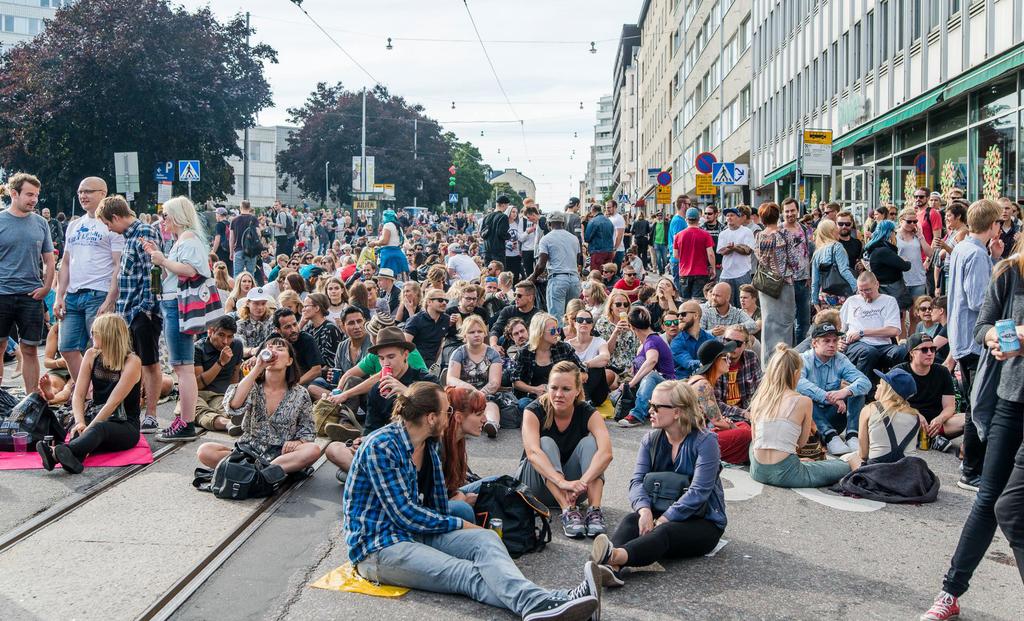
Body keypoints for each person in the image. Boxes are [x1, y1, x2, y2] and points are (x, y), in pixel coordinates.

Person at [343, 381, 602, 621]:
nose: (451, 414)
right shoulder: (382, 446)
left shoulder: (429, 444)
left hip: (415, 532)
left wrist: (467, 526)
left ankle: (556, 604)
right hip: (379, 547)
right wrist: (463, 524)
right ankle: (547, 603)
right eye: (447, 410)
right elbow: (406, 515)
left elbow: (437, 506)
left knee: (486, 539)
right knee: (465, 572)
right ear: (430, 417)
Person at [921, 247, 1024, 620]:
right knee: (990, 499)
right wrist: (994, 335)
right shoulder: (1009, 272)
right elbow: (980, 327)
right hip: (1010, 400)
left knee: (1010, 508)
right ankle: (950, 591)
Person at [590, 380, 727, 586]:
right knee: (631, 520)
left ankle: (614, 557)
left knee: (664, 531)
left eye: (656, 406)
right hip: (658, 511)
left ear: (677, 412)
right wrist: (645, 510)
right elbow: (636, 482)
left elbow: (699, 492)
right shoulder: (651, 439)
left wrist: (664, 518)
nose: (649, 410)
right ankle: (611, 569)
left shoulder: (706, 441)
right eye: (650, 404)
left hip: (703, 522)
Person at [197, 337, 319, 475]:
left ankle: (255, 472)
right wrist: (258, 367)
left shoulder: (300, 393)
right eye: (270, 348)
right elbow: (233, 405)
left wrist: (299, 442)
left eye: (279, 349)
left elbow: (308, 429)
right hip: (248, 451)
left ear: (289, 361)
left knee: (313, 450)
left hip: (282, 455)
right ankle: (265, 474)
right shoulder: (252, 385)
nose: (273, 352)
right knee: (205, 450)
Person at [947, 198, 1004, 491]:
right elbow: (979, 300)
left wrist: (994, 259)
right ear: (993, 225)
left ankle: (969, 464)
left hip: (961, 336)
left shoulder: (963, 248)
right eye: (999, 223)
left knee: (973, 403)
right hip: (974, 340)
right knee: (978, 406)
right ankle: (971, 470)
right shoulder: (977, 255)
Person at [518, 361, 613, 538]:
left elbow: (606, 453)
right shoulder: (533, 410)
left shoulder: (587, 412)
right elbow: (532, 453)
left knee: (591, 444)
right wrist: (562, 482)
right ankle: (568, 510)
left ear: (578, 390)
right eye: (554, 388)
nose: (559, 394)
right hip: (538, 486)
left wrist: (581, 483)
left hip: (576, 489)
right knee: (545, 442)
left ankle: (594, 510)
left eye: (566, 389)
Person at [36, 314, 141, 474]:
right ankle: (68, 458)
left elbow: (112, 403)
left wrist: (89, 428)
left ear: (107, 335)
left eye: (95, 333)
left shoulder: (132, 361)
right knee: (80, 431)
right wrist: (80, 423)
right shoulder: (92, 354)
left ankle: (56, 454)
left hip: (124, 423)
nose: (91, 336)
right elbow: (78, 394)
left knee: (98, 430)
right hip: (96, 415)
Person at [142, 196, 209, 442]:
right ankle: (185, 420)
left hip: (178, 305)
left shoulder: (188, 240)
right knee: (182, 367)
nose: (163, 221)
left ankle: (186, 422)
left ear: (178, 216)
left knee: (183, 368)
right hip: (174, 303)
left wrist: (162, 260)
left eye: (166, 216)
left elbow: (191, 270)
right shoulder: (184, 240)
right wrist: (160, 256)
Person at [748, 344, 860, 488]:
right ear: (796, 374)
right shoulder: (803, 401)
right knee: (851, 459)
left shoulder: (759, 399)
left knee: (757, 442)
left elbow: (755, 439)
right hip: (788, 475)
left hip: (758, 471)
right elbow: (800, 443)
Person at [96, 195, 163, 433]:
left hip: (142, 312)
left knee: (149, 362)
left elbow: (151, 274)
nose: (109, 229)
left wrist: (145, 310)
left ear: (115, 217)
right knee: (131, 364)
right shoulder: (130, 236)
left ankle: (152, 414)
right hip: (129, 311)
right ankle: (133, 410)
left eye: (107, 223)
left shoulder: (144, 232)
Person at [53, 176, 122, 384]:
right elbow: (65, 262)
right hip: (73, 295)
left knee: (101, 351)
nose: (83, 196)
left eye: (88, 191)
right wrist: (59, 295)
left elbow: (118, 265)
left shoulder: (111, 224)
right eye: (80, 192)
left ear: (103, 193)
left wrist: (110, 299)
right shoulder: (74, 225)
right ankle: (87, 392)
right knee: (67, 348)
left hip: (98, 294)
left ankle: (103, 397)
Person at [0, 173, 55, 395]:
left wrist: (47, 287)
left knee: (30, 348)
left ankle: (32, 400)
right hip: (2, 294)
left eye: (36, 195)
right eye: (29, 194)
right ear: (14, 194)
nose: (34, 200)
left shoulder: (41, 223)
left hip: (31, 296)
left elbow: (49, 260)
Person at [796, 323, 872, 456]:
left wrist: (844, 392)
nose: (832, 344)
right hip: (811, 422)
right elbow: (798, 383)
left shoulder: (840, 359)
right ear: (814, 343)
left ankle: (852, 435)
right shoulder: (803, 359)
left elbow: (865, 382)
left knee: (856, 391)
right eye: (826, 341)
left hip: (835, 415)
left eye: (835, 340)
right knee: (804, 397)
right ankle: (830, 436)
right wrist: (828, 397)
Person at [685, 340, 752, 464]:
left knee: (743, 426)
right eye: (725, 357)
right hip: (692, 442)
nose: (729, 360)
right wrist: (732, 426)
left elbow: (716, 420)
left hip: (697, 434)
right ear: (715, 361)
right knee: (746, 433)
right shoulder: (703, 384)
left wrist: (730, 424)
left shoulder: (700, 379)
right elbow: (716, 421)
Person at [894, 333, 963, 452]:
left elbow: (950, 406)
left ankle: (933, 438)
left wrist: (940, 419)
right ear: (912, 352)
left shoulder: (942, 372)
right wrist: (914, 414)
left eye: (933, 349)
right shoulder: (900, 371)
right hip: (909, 421)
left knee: (969, 419)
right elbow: (892, 403)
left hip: (937, 425)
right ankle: (930, 439)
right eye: (924, 350)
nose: (930, 353)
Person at [839, 272, 907, 384]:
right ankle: (862, 392)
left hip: (883, 345)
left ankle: (894, 392)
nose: (864, 294)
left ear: (877, 285)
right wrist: (839, 341)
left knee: (901, 351)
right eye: (861, 290)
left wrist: (863, 332)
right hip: (857, 345)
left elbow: (894, 330)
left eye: (868, 290)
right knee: (869, 352)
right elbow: (840, 328)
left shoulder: (889, 301)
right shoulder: (852, 301)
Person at [511, 313, 586, 412]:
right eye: (553, 330)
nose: (557, 333)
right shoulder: (524, 352)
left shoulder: (563, 348)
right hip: (533, 398)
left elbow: (583, 373)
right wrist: (534, 389)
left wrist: (562, 385)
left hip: (561, 396)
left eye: (558, 330)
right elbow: (515, 381)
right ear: (540, 332)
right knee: (523, 403)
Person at [618, 307, 676, 428]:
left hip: (667, 385)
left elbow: (652, 360)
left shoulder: (652, 341)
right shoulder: (646, 342)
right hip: (653, 388)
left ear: (632, 327)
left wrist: (631, 383)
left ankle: (637, 415)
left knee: (650, 376)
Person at [446, 315, 504, 438]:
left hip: (486, 393)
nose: (476, 335)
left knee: (491, 404)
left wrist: (481, 395)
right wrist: (472, 392)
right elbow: (451, 378)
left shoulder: (493, 354)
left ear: (484, 334)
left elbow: (494, 382)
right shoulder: (458, 353)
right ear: (465, 335)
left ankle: (491, 423)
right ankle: (460, 426)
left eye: (480, 331)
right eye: (472, 332)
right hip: (464, 392)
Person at [755, 202, 797, 359]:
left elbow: (760, 258)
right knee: (785, 324)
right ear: (777, 215)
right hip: (784, 282)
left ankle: (768, 363)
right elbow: (793, 259)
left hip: (766, 284)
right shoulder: (783, 234)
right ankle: (784, 361)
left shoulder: (760, 235)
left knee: (768, 323)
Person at [855, 368, 922, 464]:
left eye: (881, 384)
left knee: (851, 458)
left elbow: (863, 454)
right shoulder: (915, 416)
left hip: (877, 472)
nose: (877, 385)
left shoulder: (869, 409)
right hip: (908, 472)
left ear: (888, 389)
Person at [528, 212, 582, 325]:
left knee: (557, 318)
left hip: (558, 279)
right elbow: (577, 258)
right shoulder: (574, 238)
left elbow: (541, 264)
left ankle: (559, 341)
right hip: (574, 279)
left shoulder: (546, 239)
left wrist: (533, 277)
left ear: (548, 223)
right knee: (573, 316)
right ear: (563, 223)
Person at [781, 198, 814, 344]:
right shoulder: (779, 230)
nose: (790, 214)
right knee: (788, 320)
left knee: (804, 321)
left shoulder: (804, 228)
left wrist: (809, 275)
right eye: (787, 211)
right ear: (783, 213)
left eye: (792, 210)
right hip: (787, 282)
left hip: (804, 281)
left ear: (797, 211)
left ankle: (800, 353)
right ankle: (788, 352)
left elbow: (807, 253)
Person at [264, 308, 323, 387]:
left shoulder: (306, 339)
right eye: (287, 327)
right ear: (278, 330)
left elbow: (316, 370)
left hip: (303, 382)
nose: (293, 329)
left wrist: (294, 386)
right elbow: (260, 360)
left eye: (295, 324)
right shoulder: (273, 339)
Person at [715, 324, 763, 422]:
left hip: (750, 413)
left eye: (737, 343)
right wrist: (744, 414)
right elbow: (715, 404)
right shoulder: (716, 361)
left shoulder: (751, 357)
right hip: (724, 417)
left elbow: (761, 391)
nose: (731, 347)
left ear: (745, 345)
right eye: (728, 341)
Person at [810, 219, 858, 312]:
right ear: (831, 231)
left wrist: (815, 301)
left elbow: (815, 280)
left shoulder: (817, 252)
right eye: (835, 227)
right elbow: (844, 270)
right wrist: (857, 287)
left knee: (830, 324)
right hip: (841, 294)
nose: (837, 229)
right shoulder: (837, 246)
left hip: (824, 296)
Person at [595, 290, 640, 380]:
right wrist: (615, 333)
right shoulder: (603, 323)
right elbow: (604, 352)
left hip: (631, 367)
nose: (622, 307)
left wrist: (636, 364)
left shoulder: (633, 321)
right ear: (611, 306)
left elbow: (639, 348)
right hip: (612, 367)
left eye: (625, 304)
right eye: (618, 304)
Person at [672, 207, 715, 300]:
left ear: (686, 219)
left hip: (684, 273)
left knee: (684, 301)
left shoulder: (678, 236)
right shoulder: (705, 235)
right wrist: (713, 268)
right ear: (698, 219)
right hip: (701, 272)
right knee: (699, 301)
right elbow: (710, 254)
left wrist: (685, 259)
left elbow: (675, 255)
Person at [717, 207, 756, 305]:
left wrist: (733, 247)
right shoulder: (723, 233)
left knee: (744, 304)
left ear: (738, 217)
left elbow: (748, 251)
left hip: (742, 273)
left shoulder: (746, 232)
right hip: (726, 273)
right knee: (725, 303)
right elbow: (722, 251)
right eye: (727, 216)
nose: (729, 218)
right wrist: (738, 247)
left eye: (732, 215)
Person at [404, 287, 450, 368]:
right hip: (414, 363)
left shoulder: (446, 319)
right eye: (440, 300)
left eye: (446, 301)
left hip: (431, 363)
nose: (444, 303)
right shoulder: (416, 320)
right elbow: (405, 345)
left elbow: (440, 343)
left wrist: (433, 364)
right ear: (429, 302)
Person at [489, 281, 540, 353]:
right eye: (514, 295)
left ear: (530, 298)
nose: (515, 298)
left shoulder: (539, 316)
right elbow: (496, 329)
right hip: (508, 350)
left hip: (532, 350)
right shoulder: (508, 310)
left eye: (519, 295)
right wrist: (494, 345)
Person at [670, 300, 714, 379]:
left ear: (696, 315)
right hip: (683, 383)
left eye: (683, 314)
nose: (679, 318)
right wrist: (705, 364)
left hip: (707, 379)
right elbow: (687, 362)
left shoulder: (710, 339)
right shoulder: (676, 342)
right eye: (678, 315)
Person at [667, 195, 691, 291]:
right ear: (683, 205)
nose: (690, 207)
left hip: (679, 260)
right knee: (682, 292)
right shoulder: (678, 221)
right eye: (689, 204)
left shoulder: (680, 220)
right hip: (679, 261)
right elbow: (679, 242)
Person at [584, 202, 615, 271]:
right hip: (609, 251)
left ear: (592, 210)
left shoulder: (593, 221)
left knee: (596, 274)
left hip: (597, 251)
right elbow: (612, 235)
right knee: (607, 274)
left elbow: (587, 238)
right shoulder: (609, 221)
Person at [481, 195, 511, 265]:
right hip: (498, 251)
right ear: (503, 205)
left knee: (488, 271)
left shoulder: (487, 217)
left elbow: (481, 233)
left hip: (486, 249)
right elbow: (501, 233)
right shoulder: (503, 217)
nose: (507, 208)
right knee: (499, 272)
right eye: (507, 205)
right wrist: (508, 236)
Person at [835, 211, 864, 276]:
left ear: (851, 224)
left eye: (847, 224)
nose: (844, 226)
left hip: (853, 281)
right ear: (836, 224)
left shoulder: (857, 243)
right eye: (840, 224)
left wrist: (860, 266)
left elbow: (859, 261)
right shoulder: (832, 243)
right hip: (835, 282)